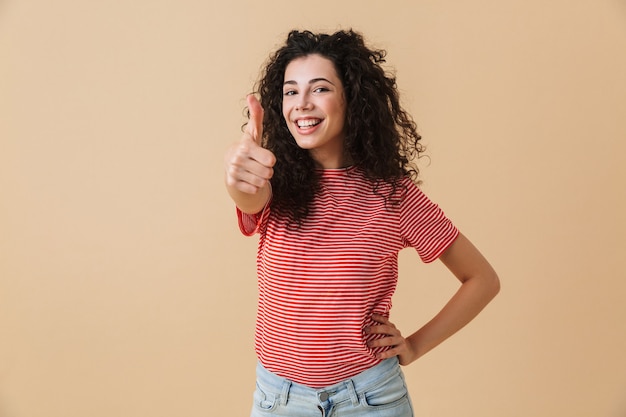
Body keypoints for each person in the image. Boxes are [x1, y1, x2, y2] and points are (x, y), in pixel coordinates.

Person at [224, 29, 500, 417]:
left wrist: (415, 346)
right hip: (279, 401)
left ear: (351, 97)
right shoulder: (272, 181)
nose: (301, 104)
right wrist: (240, 177)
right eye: (290, 91)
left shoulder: (395, 195)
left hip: (370, 399)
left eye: (319, 89)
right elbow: (249, 195)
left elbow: (482, 280)